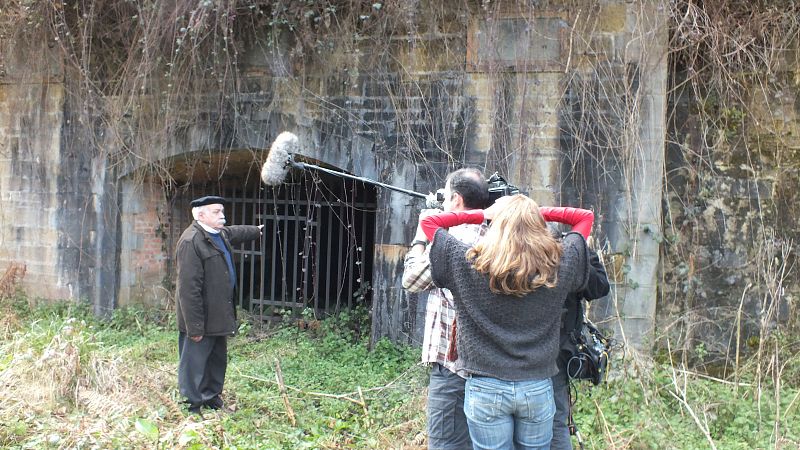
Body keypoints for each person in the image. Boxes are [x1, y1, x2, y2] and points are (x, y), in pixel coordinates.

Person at [420, 194, 594, 450]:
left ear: (495, 226)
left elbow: (430, 222)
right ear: (538, 225)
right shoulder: (558, 266)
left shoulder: (468, 264)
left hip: (485, 388)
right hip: (536, 386)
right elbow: (584, 217)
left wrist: (485, 214)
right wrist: (531, 212)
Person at [402, 168, 489, 450]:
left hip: (453, 367)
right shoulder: (496, 234)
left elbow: (412, 280)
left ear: (456, 199)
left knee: (445, 443)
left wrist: (422, 236)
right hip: (490, 366)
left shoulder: (453, 241)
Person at [175, 195, 263, 414]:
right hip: (201, 317)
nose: (222, 215)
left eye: (222, 211)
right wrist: (195, 327)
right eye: (216, 211)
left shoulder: (218, 234)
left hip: (218, 313)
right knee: (194, 363)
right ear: (201, 215)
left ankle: (211, 397)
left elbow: (235, 232)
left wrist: (256, 230)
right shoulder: (191, 241)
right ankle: (191, 405)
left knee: (216, 359)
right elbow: (188, 289)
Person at [550, 245, 609, 450]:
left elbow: (599, 286)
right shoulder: (499, 241)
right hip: (515, 356)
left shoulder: (568, 245)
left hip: (555, 355)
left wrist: (573, 255)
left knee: (555, 423)